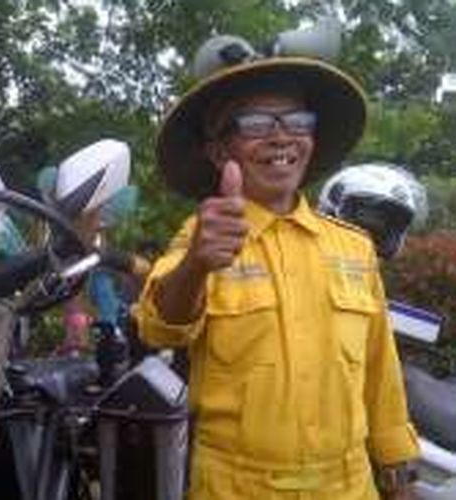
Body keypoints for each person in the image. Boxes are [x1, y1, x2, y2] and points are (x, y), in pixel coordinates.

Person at [134, 32, 420, 499]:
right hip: (237, 487)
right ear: (218, 151)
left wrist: (397, 473)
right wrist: (196, 265)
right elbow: (159, 328)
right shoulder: (204, 237)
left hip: (347, 486)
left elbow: (379, 371)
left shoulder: (354, 249)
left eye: (297, 120)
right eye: (253, 123)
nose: (282, 135)